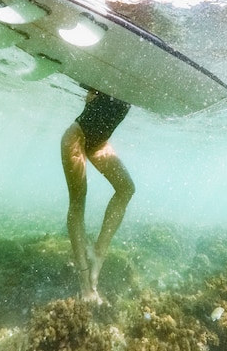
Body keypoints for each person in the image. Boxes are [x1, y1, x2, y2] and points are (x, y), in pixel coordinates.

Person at [61, 87, 135, 303]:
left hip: (98, 144)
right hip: (76, 138)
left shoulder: (131, 80)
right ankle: (84, 282)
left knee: (126, 188)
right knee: (77, 203)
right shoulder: (113, 76)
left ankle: (98, 251)